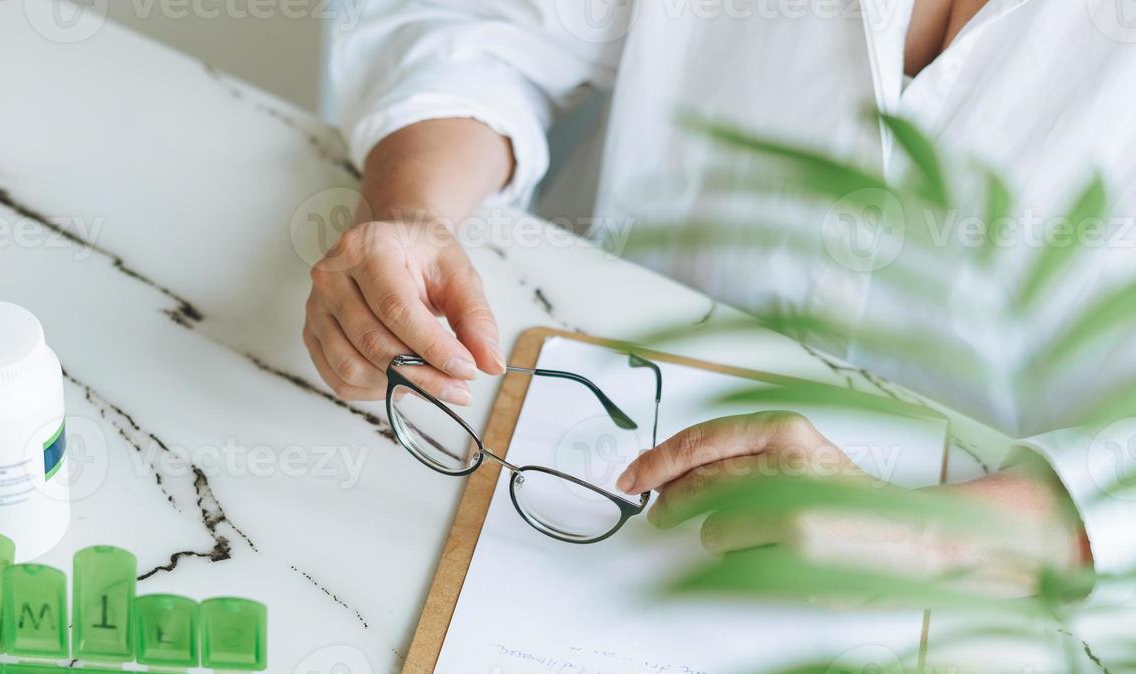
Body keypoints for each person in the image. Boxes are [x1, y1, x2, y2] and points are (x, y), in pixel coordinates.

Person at [304, 0, 1136, 599]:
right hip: (574, 434)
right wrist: (412, 211)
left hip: (987, 583)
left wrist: (924, 536)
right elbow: (478, 26)